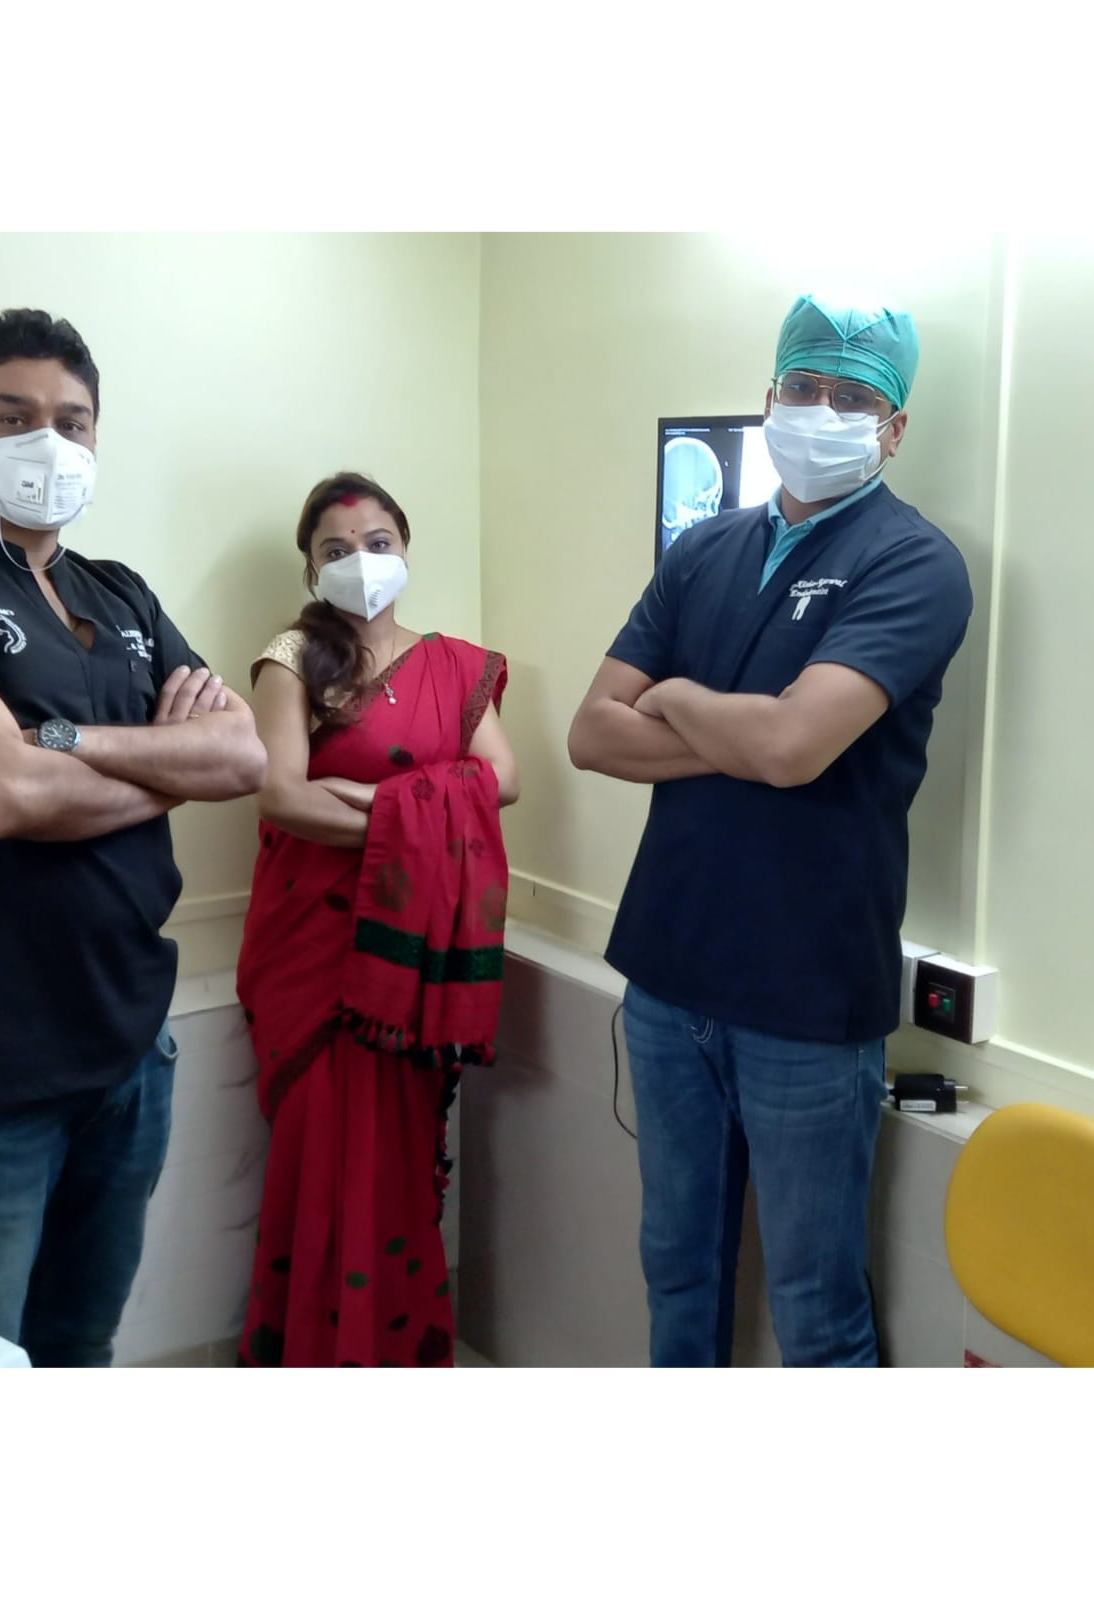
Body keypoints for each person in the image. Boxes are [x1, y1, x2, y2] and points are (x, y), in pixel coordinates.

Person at [0, 309, 266, 1367]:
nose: (48, 442)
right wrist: (160, 768)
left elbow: (243, 757)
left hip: (130, 1044)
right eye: (13, 416)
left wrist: (55, 744)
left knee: (81, 1347)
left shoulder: (122, 594)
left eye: (72, 421)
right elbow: (9, 795)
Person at [567, 297, 973, 1367]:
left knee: (815, 1304)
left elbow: (793, 748)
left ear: (894, 429)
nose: (821, 410)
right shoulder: (704, 550)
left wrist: (679, 700)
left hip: (806, 997)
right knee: (677, 1269)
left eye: (854, 398)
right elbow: (591, 734)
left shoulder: (912, 563)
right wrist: (752, 732)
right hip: (668, 975)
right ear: (768, 397)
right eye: (804, 386)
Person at [236, 472, 519, 1368]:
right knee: (324, 1163)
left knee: (393, 1167)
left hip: (415, 953)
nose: (359, 561)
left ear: (405, 549)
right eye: (335, 548)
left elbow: (503, 780)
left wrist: (381, 803)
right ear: (311, 567)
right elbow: (282, 795)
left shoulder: (457, 666)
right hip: (319, 957)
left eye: (377, 543)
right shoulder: (291, 658)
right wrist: (409, 819)